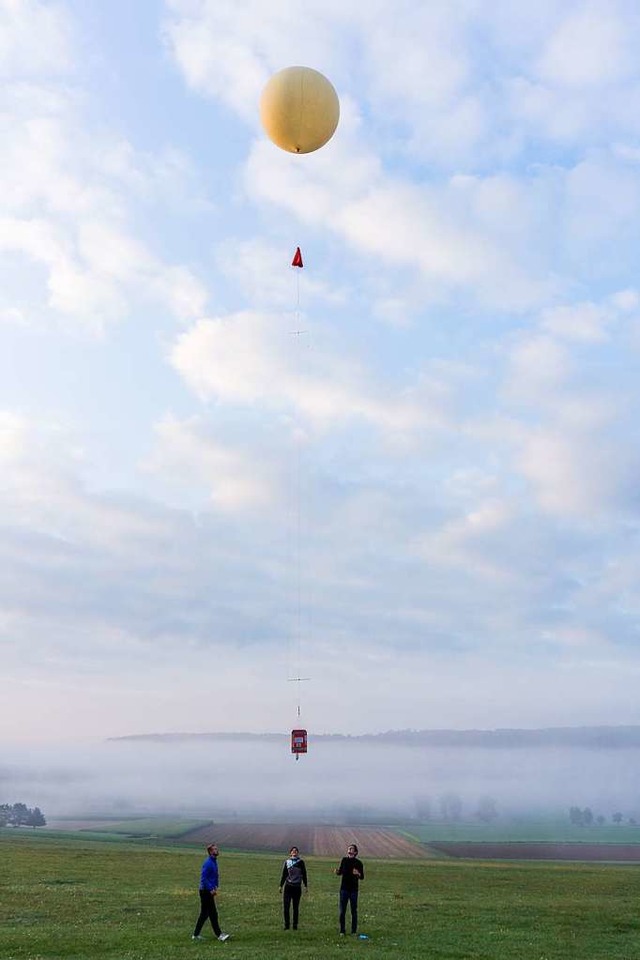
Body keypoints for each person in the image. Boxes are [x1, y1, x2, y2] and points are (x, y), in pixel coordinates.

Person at [192, 843, 230, 942]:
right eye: (215, 849)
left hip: (208, 891)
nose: (217, 850)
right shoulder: (208, 863)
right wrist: (210, 889)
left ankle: (195, 935)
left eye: (217, 849)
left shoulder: (214, 862)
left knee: (204, 914)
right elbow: (204, 878)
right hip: (205, 891)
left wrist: (215, 886)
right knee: (213, 913)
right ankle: (219, 935)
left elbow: (214, 876)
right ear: (210, 852)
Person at [335, 843, 364, 935]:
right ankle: (342, 931)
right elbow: (340, 872)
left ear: (355, 852)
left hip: (354, 890)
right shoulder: (344, 860)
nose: (349, 850)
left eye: (351, 849)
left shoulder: (359, 863)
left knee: (353, 911)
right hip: (344, 889)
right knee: (342, 910)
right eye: (349, 848)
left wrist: (358, 873)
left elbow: (362, 877)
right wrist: (337, 872)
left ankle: (354, 931)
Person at [279, 845, 308, 930]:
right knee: (286, 907)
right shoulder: (287, 862)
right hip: (288, 887)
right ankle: (286, 926)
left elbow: (304, 874)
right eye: (293, 850)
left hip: (297, 887)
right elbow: (284, 874)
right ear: (290, 853)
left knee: (295, 908)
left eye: (296, 850)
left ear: (297, 853)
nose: (294, 851)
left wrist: (306, 885)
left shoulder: (301, 862)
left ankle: (295, 926)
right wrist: (280, 885)